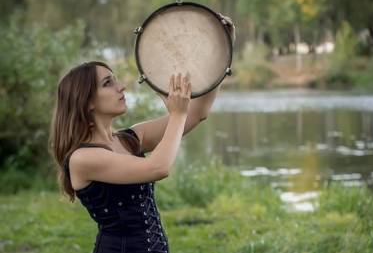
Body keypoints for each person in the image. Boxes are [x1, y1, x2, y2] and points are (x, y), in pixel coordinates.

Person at [49, 14, 235, 253]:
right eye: (108, 83)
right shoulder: (83, 159)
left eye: (116, 80)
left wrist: (223, 46)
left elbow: (198, 112)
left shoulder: (129, 140)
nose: (121, 87)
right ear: (86, 102)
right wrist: (177, 115)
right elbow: (159, 168)